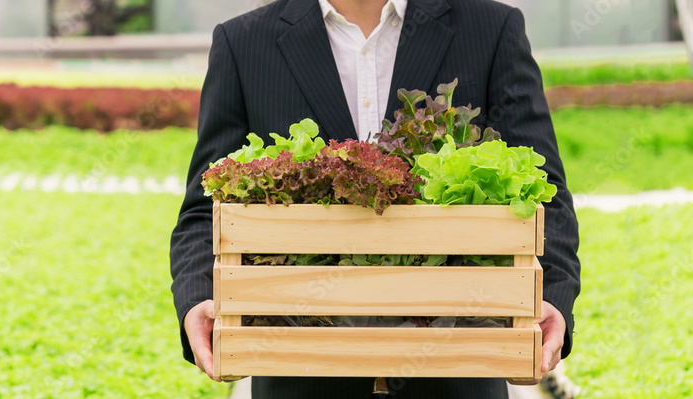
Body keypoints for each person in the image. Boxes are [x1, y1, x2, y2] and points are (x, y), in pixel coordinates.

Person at [169, 0, 582, 397]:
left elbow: (545, 191)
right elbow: (206, 206)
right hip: (302, 375)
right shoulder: (244, 43)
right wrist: (198, 297)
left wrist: (552, 301)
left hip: (456, 373)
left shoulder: (491, 29)